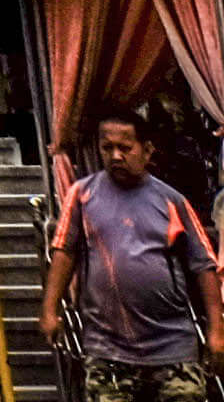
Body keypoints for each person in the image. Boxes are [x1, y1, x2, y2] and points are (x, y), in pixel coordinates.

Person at [43, 114, 224, 402]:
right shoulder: (82, 196)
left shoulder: (171, 201)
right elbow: (64, 251)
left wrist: (216, 333)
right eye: (107, 148)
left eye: (125, 148)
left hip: (172, 346)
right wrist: (50, 310)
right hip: (108, 349)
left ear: (147, 150)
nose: (116, 156)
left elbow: (204, 266)